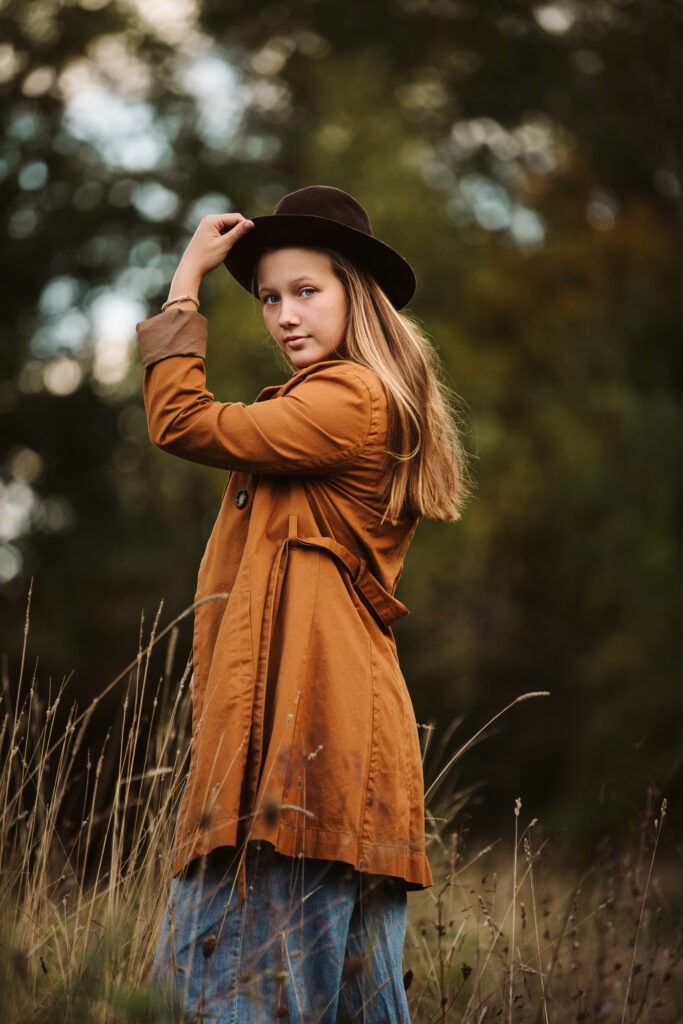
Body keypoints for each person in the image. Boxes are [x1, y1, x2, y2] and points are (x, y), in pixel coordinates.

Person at [136, 185, 469, 1023]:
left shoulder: (346, 400)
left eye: (305, 291)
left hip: (302, 757)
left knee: (220, 1000)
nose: (284, 315)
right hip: (329, 760)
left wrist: (186, 281)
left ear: (355, 294)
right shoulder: (330, 401)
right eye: (268, 298)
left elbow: (181, 419)